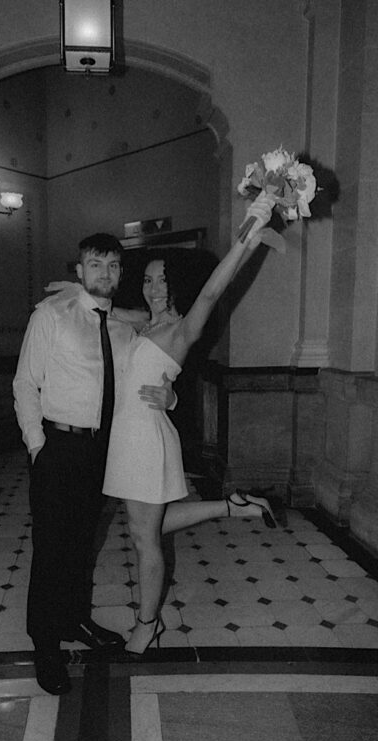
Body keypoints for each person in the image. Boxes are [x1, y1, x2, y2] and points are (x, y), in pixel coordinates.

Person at [102, 199, 279, 655]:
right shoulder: (142, 321)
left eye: (162, 279)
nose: (154, 287)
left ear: (176, 284)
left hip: (145, 438)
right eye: (147, 278)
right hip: (125, 437)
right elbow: (107, 312)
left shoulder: (181, 329)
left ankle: (147, 624)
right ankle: (232, 507)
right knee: (151, 526)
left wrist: (251, 230)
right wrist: (74, 290)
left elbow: (212, 293)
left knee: (144, 539)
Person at [13, 233, 175, 695]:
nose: (104, 273)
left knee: (83, 542)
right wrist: (37, 444)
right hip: (59, 447)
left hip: (106, 448)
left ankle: (76, 621)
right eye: (94, 265)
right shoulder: (51, 315)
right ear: (79, 270)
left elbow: (161, 353)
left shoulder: (126, 324)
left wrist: (173, 394)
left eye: (112, 266)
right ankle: (45, 644)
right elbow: (25, 383)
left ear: (120, 274)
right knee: (51, 549)